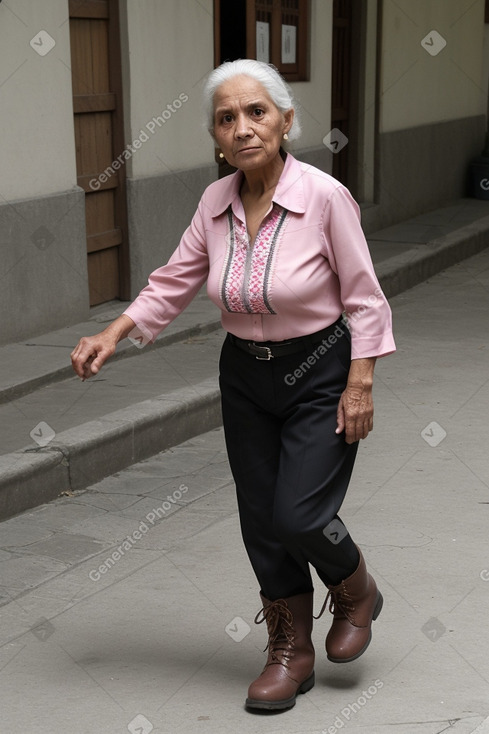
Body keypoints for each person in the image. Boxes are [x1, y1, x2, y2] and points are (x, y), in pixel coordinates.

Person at [71, 59, 396, 712]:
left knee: (298, 512)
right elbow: (175, 277)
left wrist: (358, 385)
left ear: (284, 121)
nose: (243, 128)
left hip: (320, 368)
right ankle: (289, 650)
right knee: (260, 521)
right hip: (245, 375)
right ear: (216, 138)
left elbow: (364, 299)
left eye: (256, 113)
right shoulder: (215, 203)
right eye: (227, 118)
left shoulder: (322, 198)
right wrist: (116, 331)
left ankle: (354, 587)